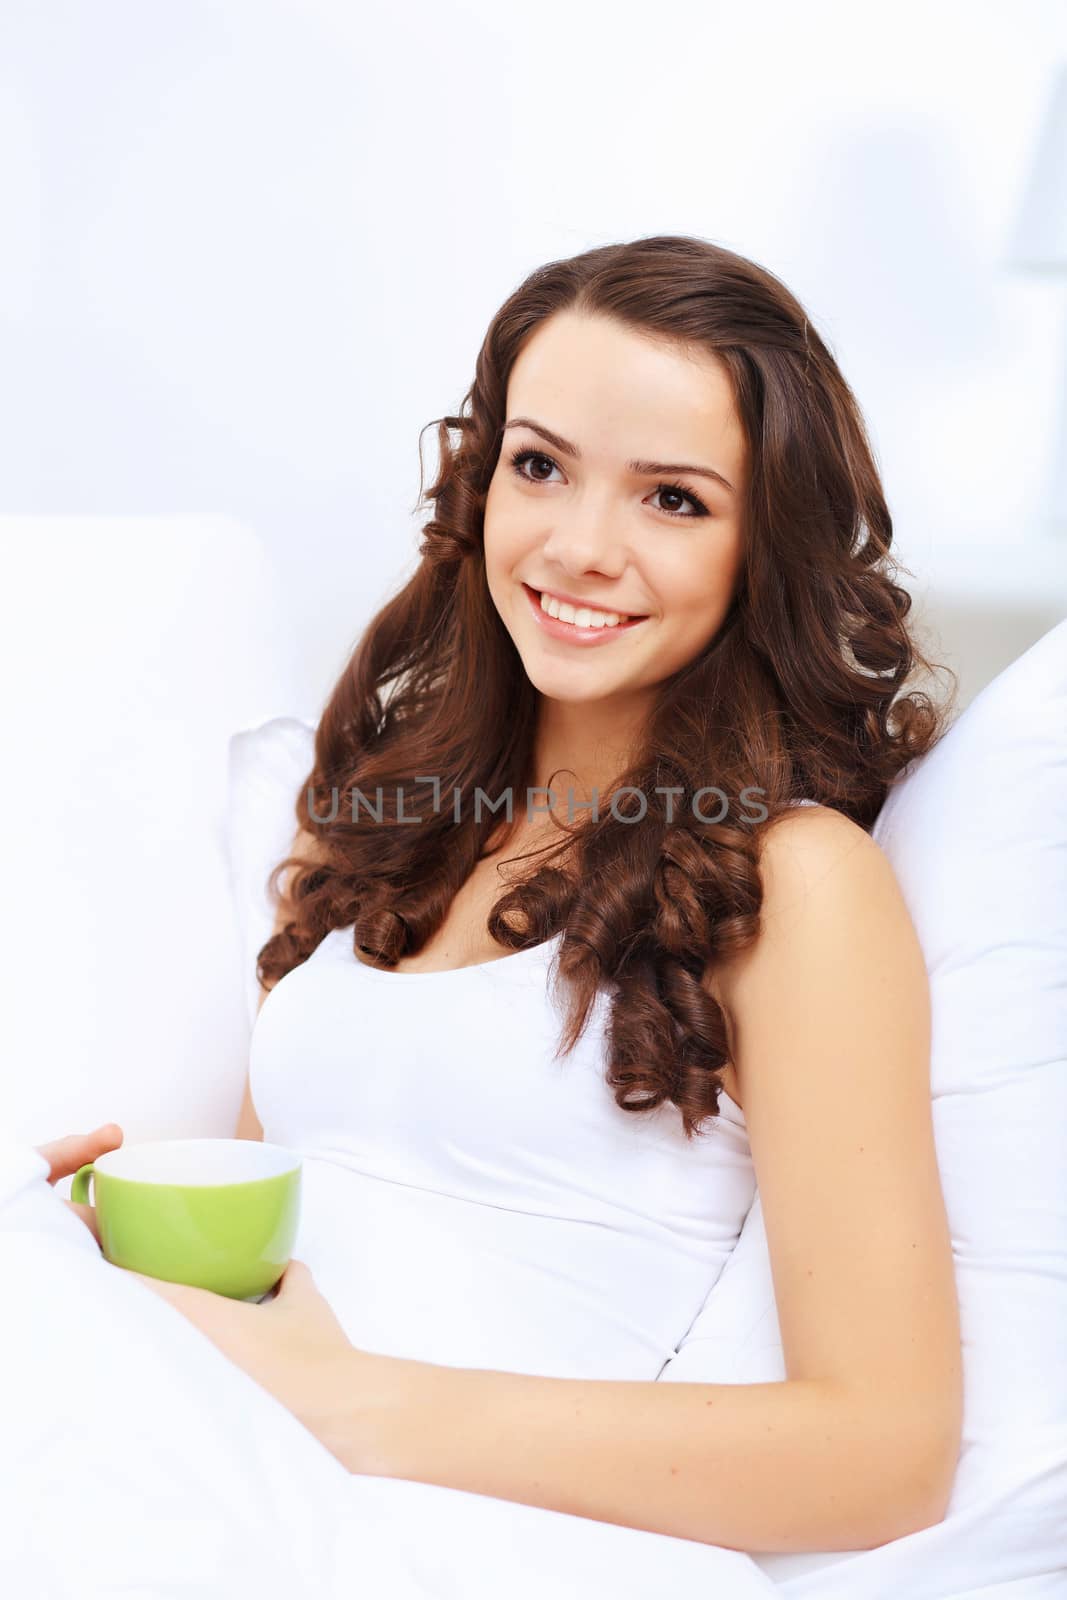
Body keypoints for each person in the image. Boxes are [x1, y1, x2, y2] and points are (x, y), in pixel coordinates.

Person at [17, 234, 962, 1593]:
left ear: (770, 543)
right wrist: (128, 1247)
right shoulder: (377, 825)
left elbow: (885, 1452)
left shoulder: (794, 878)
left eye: (675, 500)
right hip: (240, 1467)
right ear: (478, 480)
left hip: (462, 1535)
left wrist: (347, 1403)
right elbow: (293, 1235)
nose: (581, 547)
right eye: (541, 465)